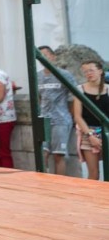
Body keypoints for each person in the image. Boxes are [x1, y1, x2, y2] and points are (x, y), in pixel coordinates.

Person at [37, 46, 75, 176]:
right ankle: (44, 183)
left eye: (46, 55)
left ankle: (59, 186)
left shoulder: (64, 75)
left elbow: (74, 97)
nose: (43, 59)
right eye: (40, 56)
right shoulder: (37, 76)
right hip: (44, 120)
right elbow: (38, 97)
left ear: (53, 57)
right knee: (43, 154)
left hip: (60, 119)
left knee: (59, 155)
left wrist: (73, 117)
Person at [72, 59, 109, 180]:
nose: (88, 74)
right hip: (88, 132)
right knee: (93, 173)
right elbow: (77, 116)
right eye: (85, 71)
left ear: (100, 71)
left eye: (91, 70)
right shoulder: (80, 89)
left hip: (107, 132)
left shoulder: (108, 89)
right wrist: (90, 135)